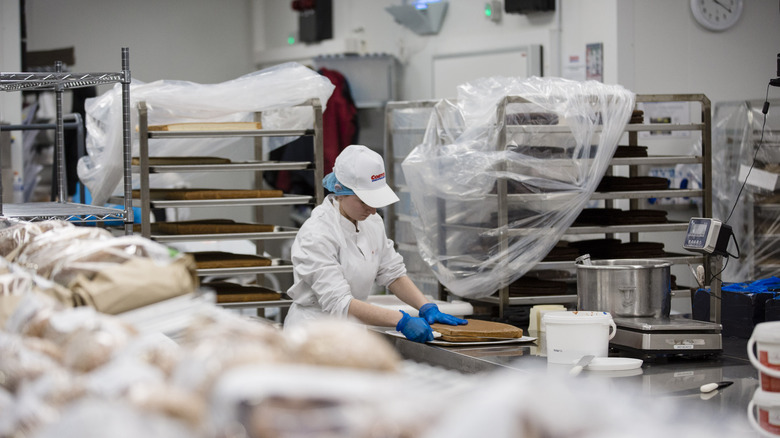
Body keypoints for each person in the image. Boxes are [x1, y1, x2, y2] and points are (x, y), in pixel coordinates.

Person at [284, 145, 467, 342]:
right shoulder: (317, 234)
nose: (372, 210)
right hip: (312, 334)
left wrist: (425, 306)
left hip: (351, 333)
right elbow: (340, 302)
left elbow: (391, 272)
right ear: (341, 192)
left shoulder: (371, 221)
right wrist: (402, 321)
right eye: (364, 201)